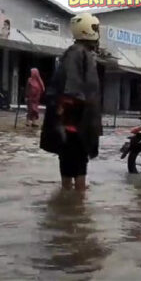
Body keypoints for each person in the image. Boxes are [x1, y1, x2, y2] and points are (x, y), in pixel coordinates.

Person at [40, 13, 102, 191]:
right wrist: (65, 117)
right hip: (74, 123)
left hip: (75, 122)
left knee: (70, 164)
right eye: (95, 29)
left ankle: (70, 204)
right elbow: (71, 90)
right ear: (87, 30)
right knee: (77, 164)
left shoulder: (78, 53)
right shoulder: (78, 54)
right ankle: (76, 205)